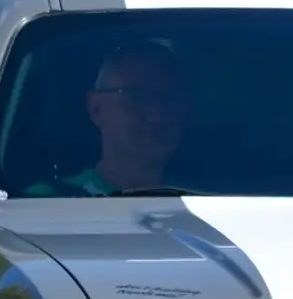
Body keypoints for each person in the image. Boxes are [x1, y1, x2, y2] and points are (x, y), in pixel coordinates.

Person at [25, 42, 192, 196]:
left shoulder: (205, 204)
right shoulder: (45, 201)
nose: (157, 115)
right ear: (96, 109)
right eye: (136, 97)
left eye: (170, 98)